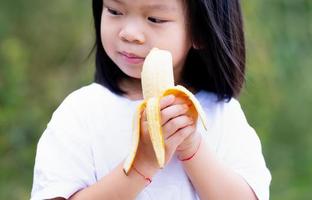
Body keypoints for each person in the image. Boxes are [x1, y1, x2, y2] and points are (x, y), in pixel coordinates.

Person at [30, 0, 271, 199]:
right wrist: (140, 165)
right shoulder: (81, 112)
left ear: (200, 30)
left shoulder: (221, 115)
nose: (130, 34)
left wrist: (191, 147)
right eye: (115, 11)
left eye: (155, 19)